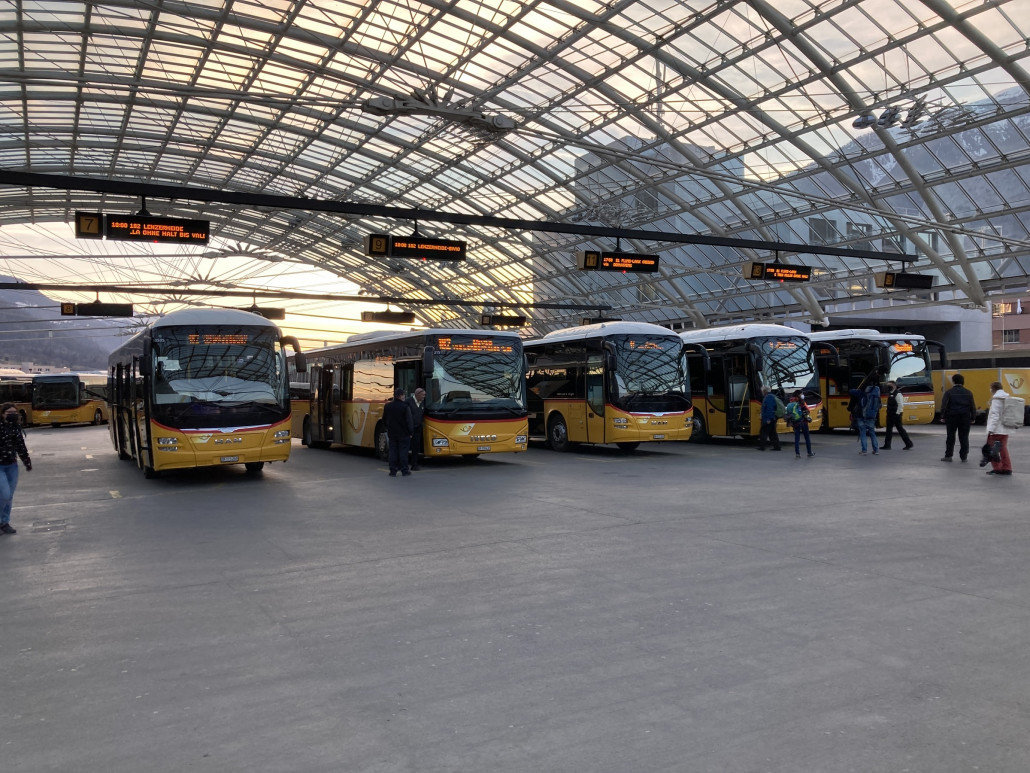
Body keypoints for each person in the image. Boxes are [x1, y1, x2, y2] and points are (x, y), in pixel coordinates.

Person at [1, 402, 32, 535]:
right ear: (2, 415)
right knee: (5, 494)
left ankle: (4, 522)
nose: (12, 415)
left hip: (12, 465)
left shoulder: (16, 428)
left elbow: (20, 446)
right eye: (9, 413)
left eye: (14, 413)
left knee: (9, 496)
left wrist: (27, 461)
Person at [940, 373, 976, 463]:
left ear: (953, 381)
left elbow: (944, 405)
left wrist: (942, 416)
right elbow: (972, 406)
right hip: (965, 417)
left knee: (950, 437)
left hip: (952, 417)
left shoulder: (949, 392)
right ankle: (964, 456)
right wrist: (973, 417)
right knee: (964, 437)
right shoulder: (968, 392)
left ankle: (948, 455)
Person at [983, 381, 1013, 476]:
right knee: (1003, 448)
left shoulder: (996, 399)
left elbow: (995, 415)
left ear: (993, 388)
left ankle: (997, 468)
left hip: (996, 429)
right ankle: (1007, 467)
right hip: (1005, 428)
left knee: (991, 449)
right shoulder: (1007, 398)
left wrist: (991, 428)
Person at [383, 388, 414, 477]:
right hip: (404, 433)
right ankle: (404, 470)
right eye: (404, 395)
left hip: (392, 433)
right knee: (403, 452)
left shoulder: (387, 406)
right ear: (400, 396)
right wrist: (411, 432)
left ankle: (393, 470)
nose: (404, 396)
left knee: (393, 451)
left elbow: (384, 419)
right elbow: (409, 421)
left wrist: (388, 428)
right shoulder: (405, 407)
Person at [850, 373, 880, 455]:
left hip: (861, 415)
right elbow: (879, 405)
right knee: (872, 432)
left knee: (863, 433)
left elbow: (851, 391)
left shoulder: (862, 391)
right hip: (872, 415)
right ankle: (876, 450)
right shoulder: (877, 391)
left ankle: (864, 450)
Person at [882, 381, 913, 451]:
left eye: (889, 385)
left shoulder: (898, 394)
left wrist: (897, 413)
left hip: (896, 414)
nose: (888, 387)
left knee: (900, 429)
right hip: (890, 414)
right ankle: (887, 445)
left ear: (894, 385)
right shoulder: (890, 393)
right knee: (888, 430)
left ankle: (909, 443)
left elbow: (900, 405)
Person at [786, 390, 814, 458]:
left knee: (797, 438)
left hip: (795, 423)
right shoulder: (801, 402)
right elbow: (807, 411)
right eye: (801, 394)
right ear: (798, 395)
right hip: (803, 422)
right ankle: (809, 452)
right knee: (807, 438)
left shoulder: (791, 403)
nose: (802, 395)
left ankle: (797, 453)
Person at [405, 387, 426, 471]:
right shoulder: (408, 402)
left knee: (416, 447)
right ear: (417, 394)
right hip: (409, 428)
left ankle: (414, 464)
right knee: (406, 447)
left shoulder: (422, 402)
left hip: (418, 428)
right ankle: (404, 464)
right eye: (423, 395)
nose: (424, 397)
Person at [756, 386, 781, 451]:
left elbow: (769, 409)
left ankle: (762, 447)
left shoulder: (768, 398)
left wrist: (768, 419)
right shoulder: (772, 397)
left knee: (763, 432)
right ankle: (777, 447)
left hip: (768, 419)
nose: (761, 393)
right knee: (772, 433)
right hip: (771, 418)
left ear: (764, 391)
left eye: (762, 391)